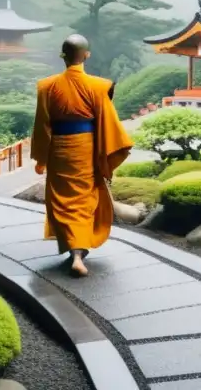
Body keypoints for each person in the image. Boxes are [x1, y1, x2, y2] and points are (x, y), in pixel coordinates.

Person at [31, 34, 133, 277]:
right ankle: (79, 254)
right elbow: (107, 123)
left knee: (62, 200)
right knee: (84, 199)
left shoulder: (46, 86)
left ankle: (73, 252)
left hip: (59, 150)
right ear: (86, 55)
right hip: (85, 149)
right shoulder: (100, 86)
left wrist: (42, 157)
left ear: (62, 55)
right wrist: (107, 157)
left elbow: (42, 125)